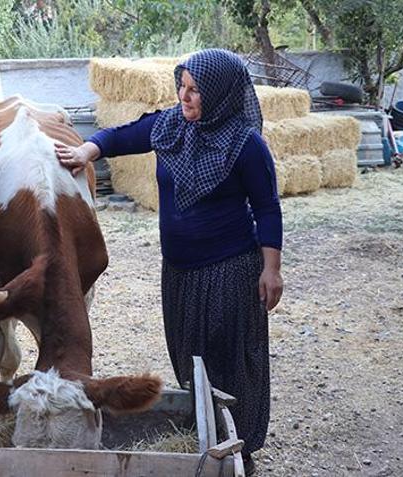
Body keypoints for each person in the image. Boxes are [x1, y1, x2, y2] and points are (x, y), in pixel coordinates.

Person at [56, 49, 282, 475]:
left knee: (230, 357)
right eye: (182, 85)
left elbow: (268, 208)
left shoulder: (245, 144)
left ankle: (238, 449)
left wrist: (271, 269)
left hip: (229, 270)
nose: (185, 96)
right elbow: (126, 135)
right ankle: (205, 433)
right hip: (179, 271)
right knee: (188, 354)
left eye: (196, 90)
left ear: (220, 95)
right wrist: (88, 149)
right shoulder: (172, 126)